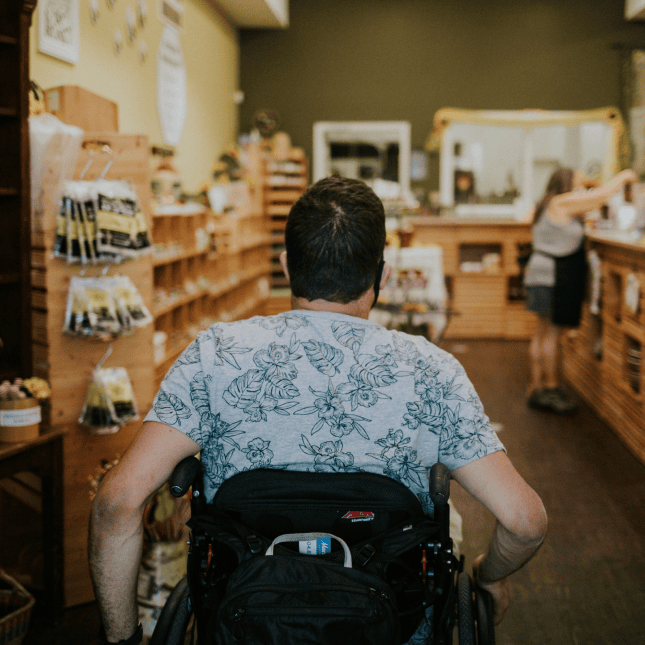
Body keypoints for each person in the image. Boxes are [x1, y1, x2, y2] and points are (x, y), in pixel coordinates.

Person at [89, 176, 547, 645]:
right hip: (392, 624)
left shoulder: (215, 355)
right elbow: (525, 521)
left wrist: (123, 640)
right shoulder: (433, 371)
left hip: (242, 620)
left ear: (287, 265)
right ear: (382, 276)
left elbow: (116, 504)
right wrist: (488, 576)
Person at [524, 167, 638, 414]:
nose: (580, 186)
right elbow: (601, 196)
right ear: (566, 183)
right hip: (551, 275)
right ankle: (551, 390)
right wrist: (625, 175)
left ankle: (537, 387)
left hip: (541, 273)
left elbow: (591, 198)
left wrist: (587, 181)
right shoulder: (562, 201)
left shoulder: (551, 202)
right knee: (552, 333)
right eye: (576, 181)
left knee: (543, 332)